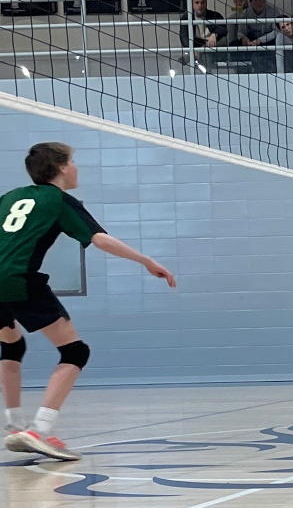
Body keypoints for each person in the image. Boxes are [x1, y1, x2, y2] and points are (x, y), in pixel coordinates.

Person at [1, 143, 176, 461]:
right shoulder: (58, 200)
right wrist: (146, 260)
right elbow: (99, 239)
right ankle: (39, 431)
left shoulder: (11, 197)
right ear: (62, 168)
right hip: (17, 279)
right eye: (73, 161)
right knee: (75, 351)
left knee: (11, 345)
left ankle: (14, 425)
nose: (77, 167)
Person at [178, 0, 227, 68]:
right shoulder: (185, 18)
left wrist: (215, 34)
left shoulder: (215, 15)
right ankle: (208, 77)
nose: (200, 5)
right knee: (205, 56)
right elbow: (184, 38)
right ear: (192, 4)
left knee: (219, 43)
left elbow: (224, 29)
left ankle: (192, 57)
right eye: (197, 3)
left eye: (202, 2)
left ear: (206, 3)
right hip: (197, 46)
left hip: (213, 46)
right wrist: (193, 49)